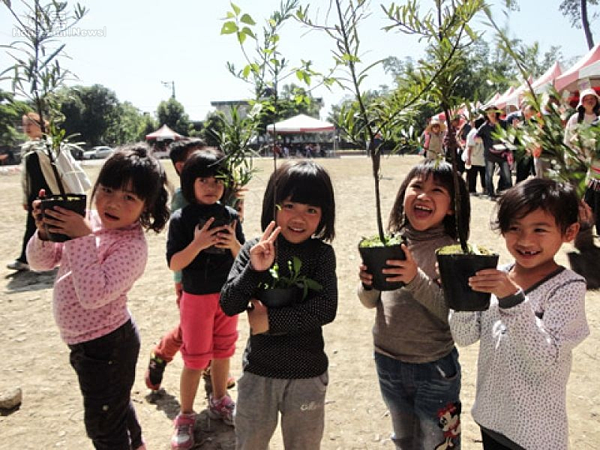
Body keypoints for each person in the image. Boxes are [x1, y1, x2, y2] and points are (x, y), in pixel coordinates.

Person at [26, 143, 170, 450]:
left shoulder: (132, 248)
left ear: (147, 206)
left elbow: (93, 295)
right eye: (106, 189)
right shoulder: (87, 220)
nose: (113, 203)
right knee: (115, 407)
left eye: (129, 197)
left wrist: (81, 236)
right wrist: (44, 232)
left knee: (103, 425)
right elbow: (41, 262)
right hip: (84, 343)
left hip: (108, 345)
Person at [449, 178, 589, 450]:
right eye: (514, 228)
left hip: (535, 433)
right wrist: (459, 291)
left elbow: (545, 360)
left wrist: (512, 300)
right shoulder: (498, 273)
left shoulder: (567, 288)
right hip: (491, 419)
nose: (525, 240)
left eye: (540, 229)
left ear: (569, 232)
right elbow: (464, 336)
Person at [220, 160, 337, 450]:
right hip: (260, 371)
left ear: (324, 216)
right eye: (290, 206)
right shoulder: (253, 249)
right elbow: (229, 303)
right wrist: (255, 270)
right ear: (272, 207)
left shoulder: (321, 254)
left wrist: (270, 321)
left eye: (311, 210)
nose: (299, 218)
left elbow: (326, 308)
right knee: (251, 443)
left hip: (307, 373)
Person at [358, 160, 469, 450]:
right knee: (404, 440)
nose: (423, 195)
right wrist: (368, 284)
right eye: (416, 186)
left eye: (436, 190)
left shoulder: (451, 252)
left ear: (452, 207)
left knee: (438, 443)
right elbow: (370, 303)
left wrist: (414, 279)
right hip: (387, 361)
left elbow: (452, 316)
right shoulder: (389, 242)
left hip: (434, 368)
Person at [168, 150, 244, 449]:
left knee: (224, 350)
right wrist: (198, 243)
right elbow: (175, 263)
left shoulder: (232, 216)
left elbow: (244, 260)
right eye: (203, 180)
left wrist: (234, 243)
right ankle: (185, 415)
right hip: (196, 297)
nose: (211, 186)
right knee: (195, 358)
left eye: (217, 180)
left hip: (227, 295)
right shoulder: (181, 219)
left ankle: (220, 400)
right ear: (190, 183)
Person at [145, 138, 203, 391]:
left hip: (218, 273)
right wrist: (179, 279)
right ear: (181, 167)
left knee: (214, 323)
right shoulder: (182, 197)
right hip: (190, 276)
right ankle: (161, 354)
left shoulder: (218, 190)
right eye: (198, 156)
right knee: (192, 328)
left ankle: (214, 368)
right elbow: (178, 244)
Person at [8, 112, 90, 271]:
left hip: (52, 192)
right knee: (34, 225)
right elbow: (26, 177)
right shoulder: (29, 148)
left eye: (30, 124)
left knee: (55, 223)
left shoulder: (52, 145)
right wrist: (26, 197)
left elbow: (65, 168)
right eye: (24, 125)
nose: (27, 128)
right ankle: (26, 258)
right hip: (36, 194)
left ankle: (60, 256)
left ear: (41, 125)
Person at [477, 105, 512, 198]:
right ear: (486, 115)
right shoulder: (484, 126)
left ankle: (509, 193)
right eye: (489, 112)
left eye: (493, 112)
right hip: (490, 154)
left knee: (507, 174)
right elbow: (476, 137)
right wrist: (481, 140)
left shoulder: (504, 123)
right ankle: (490, 193)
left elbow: (511, 134)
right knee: (489, 174)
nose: (491, 114)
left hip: (503, 153)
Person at [465, 116, 486, 194]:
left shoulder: (484, 132)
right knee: (472, 175)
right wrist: (468, 159)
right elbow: (470, 147)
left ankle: (485, 188)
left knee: (484, 174)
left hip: (482, 157)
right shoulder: (473, 133)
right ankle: (471, 189)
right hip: (474, 157)